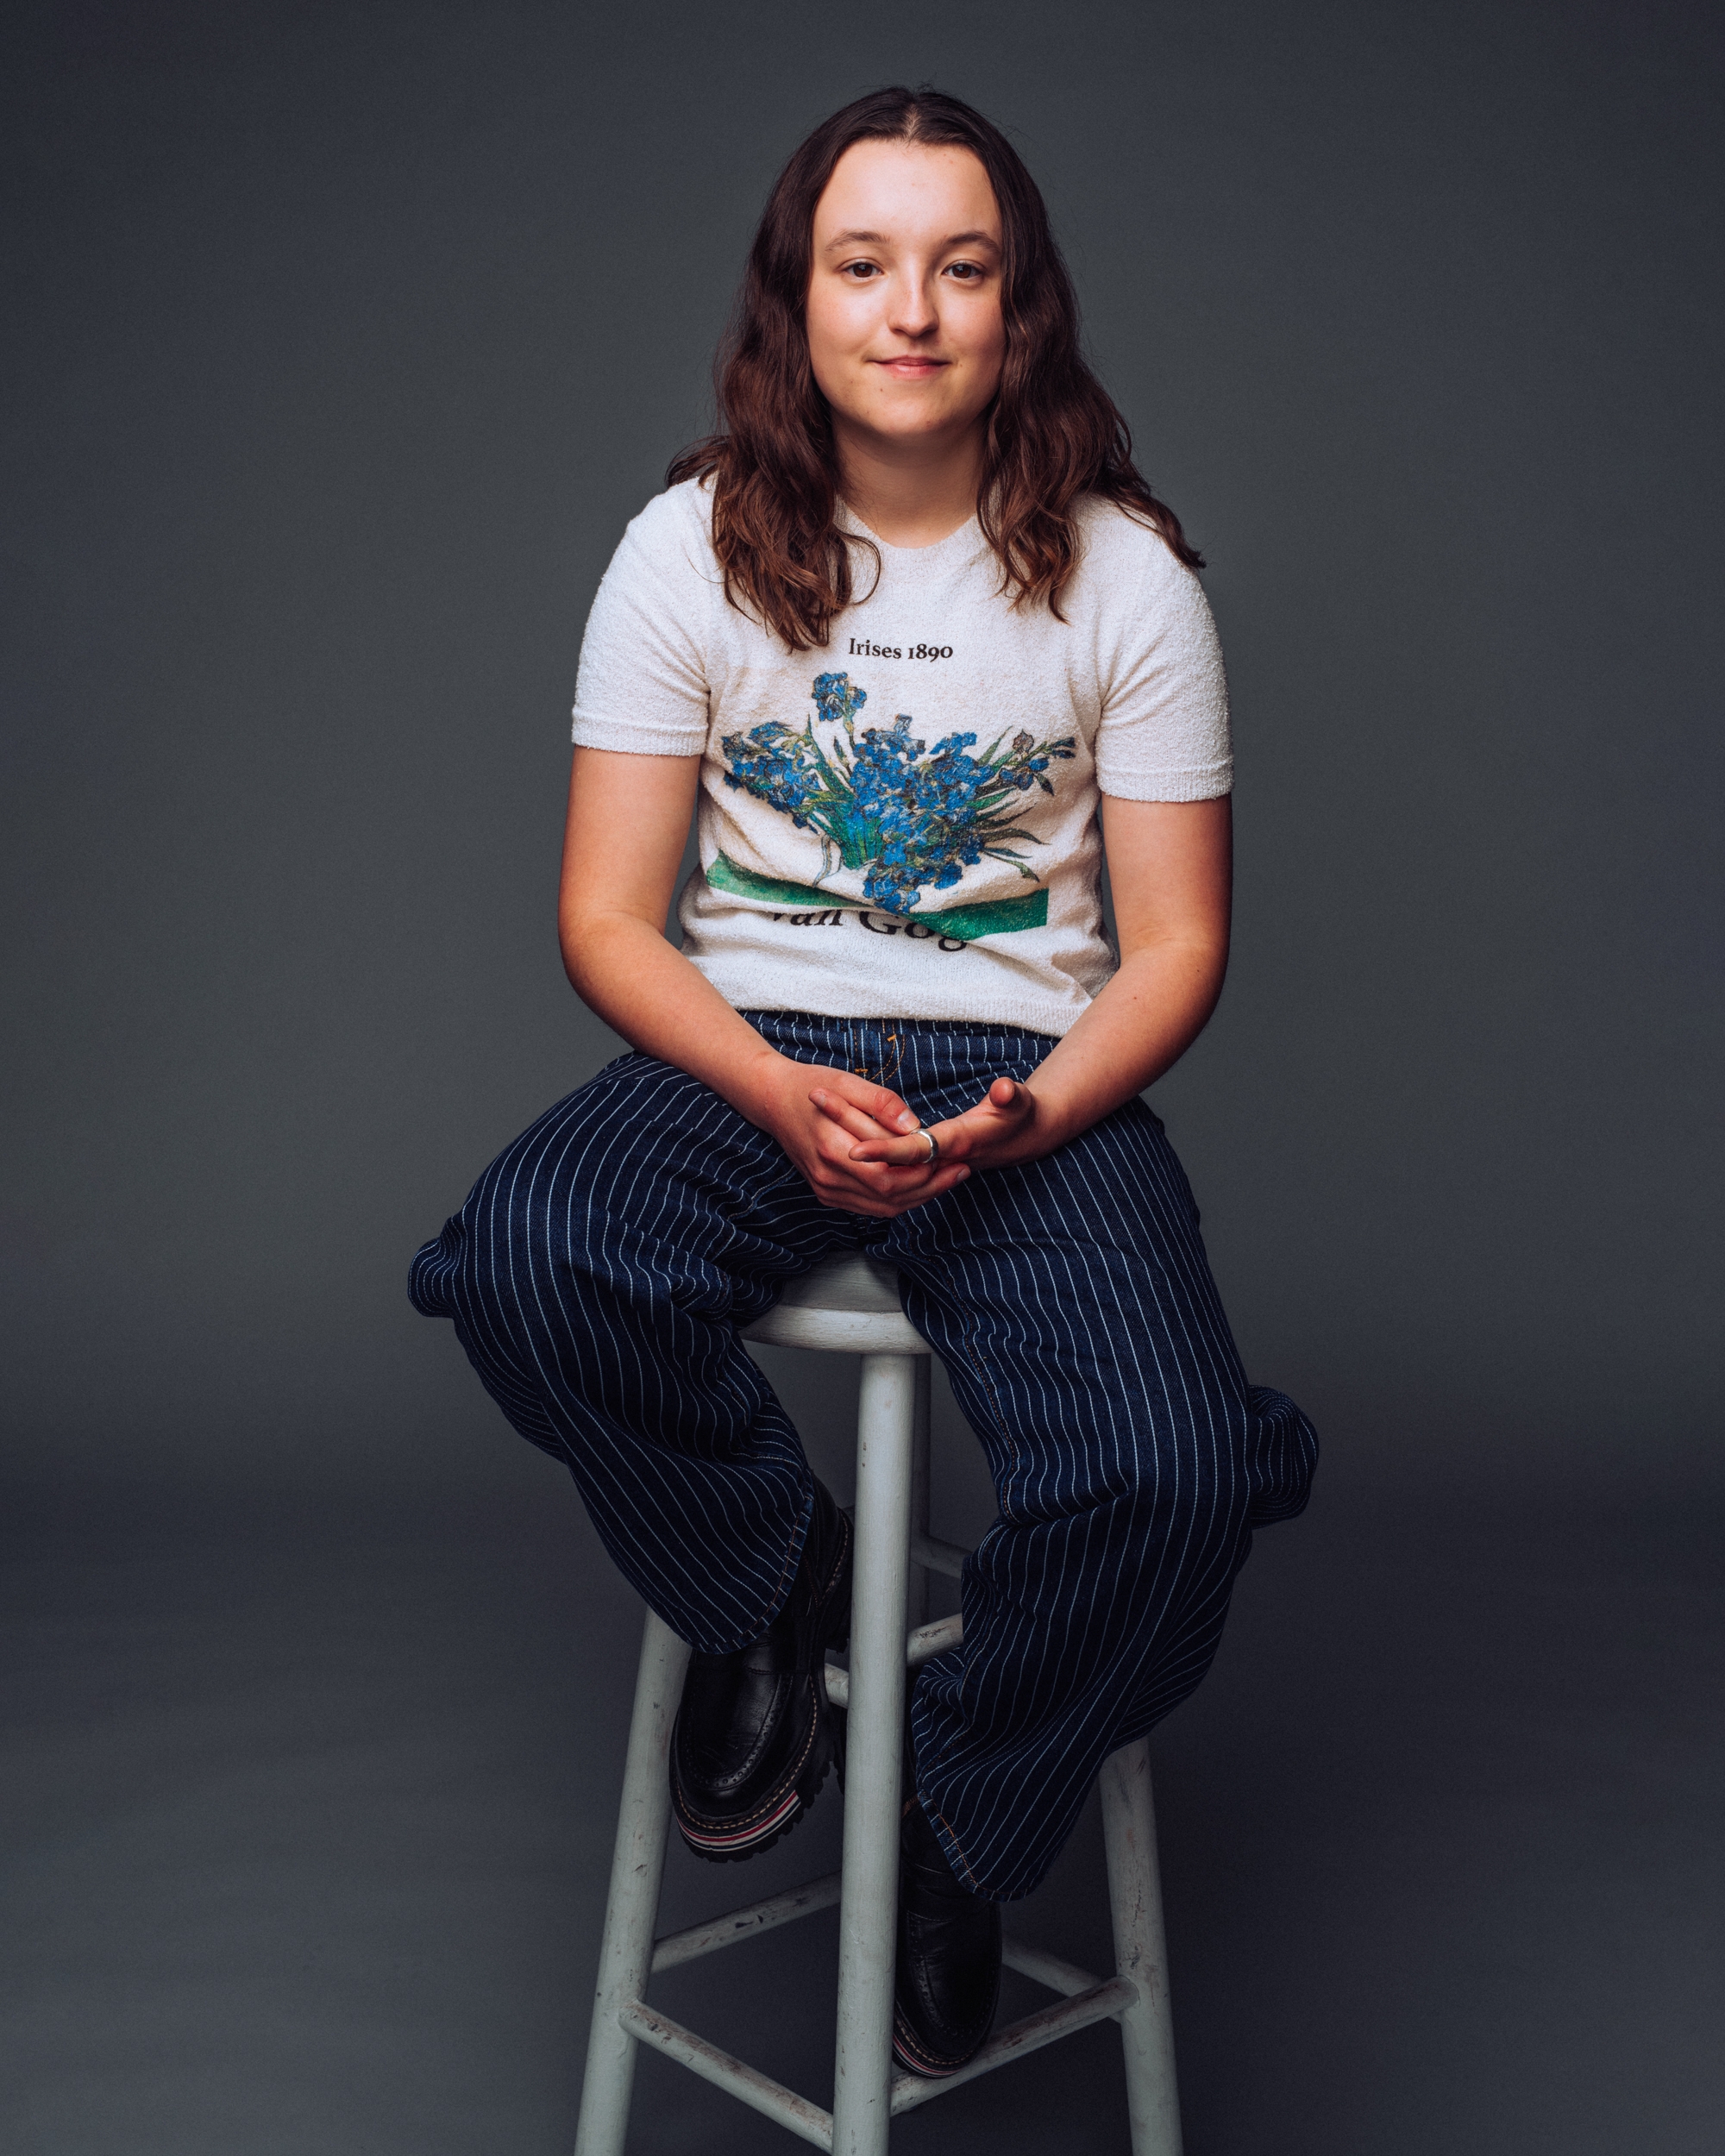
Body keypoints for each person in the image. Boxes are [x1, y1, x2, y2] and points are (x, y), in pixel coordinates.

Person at [410, 85, 1317, 2080]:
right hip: (752, 1041)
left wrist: (1043, 1107)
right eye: (863, 263)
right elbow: (607, 918)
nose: (911, 309)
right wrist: (766, 1085)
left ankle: (959, 1810)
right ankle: (775, 1579)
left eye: (959, 267)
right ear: (795, 296)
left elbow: (1175, 942)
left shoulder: (1126, 577)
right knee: (533, 1252)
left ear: (1019, 304)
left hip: (1024, 1072)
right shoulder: (686, 549)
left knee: (1174, 1471)